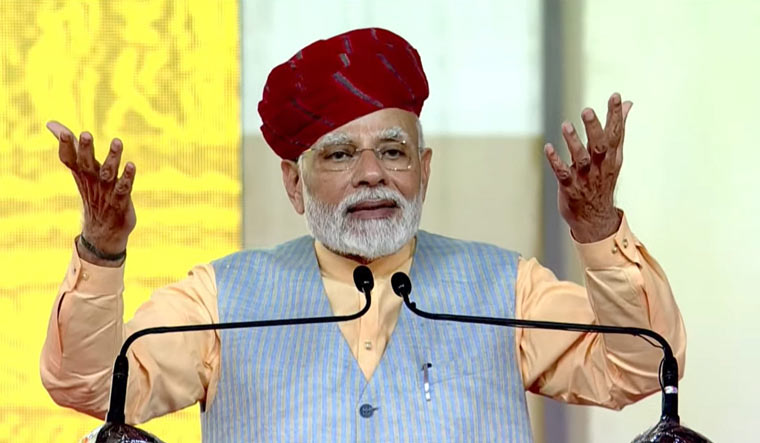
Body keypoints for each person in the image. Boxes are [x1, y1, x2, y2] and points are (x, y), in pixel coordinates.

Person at [40, 28, 686, 442]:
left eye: (394, 151)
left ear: (424, 170)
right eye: (341, 155)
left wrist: (599, 229)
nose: (373, 173)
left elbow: (638, 368)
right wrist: (101, 248)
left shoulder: (506, 285)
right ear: (294, 183)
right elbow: (94, 386)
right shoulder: (219, 298)